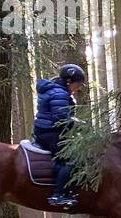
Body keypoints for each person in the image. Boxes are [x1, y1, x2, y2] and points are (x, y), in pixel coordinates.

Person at [34, 63, 87, 210]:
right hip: (50, 133)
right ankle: (59, 195)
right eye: (78, 84)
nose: (78, 88)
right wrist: (83, 126)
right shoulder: (59, 93)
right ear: (69, 81)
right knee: (71, 158)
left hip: (45, 131)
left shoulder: (57, 91)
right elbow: (62, 119)